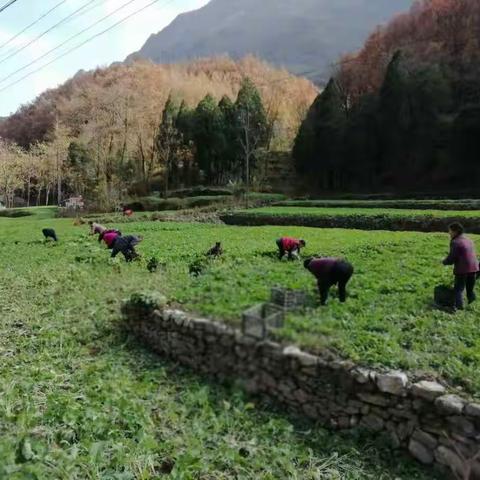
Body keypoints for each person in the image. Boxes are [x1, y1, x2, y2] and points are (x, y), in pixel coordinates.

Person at [442, 222, 479, 310]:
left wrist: (444, 261)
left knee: (458, 289)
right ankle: (472, 303)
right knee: (470, 288)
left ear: (455, 231)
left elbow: (452, 258)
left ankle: (459, 308)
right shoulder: (468, 240)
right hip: (474, 267)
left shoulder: (455, 242)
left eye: (450, 231)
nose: (449, 233)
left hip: (463, 269)